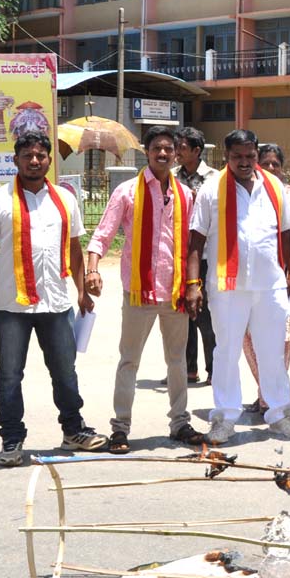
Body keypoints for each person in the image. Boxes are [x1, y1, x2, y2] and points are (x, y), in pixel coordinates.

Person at [0, 131, 105, 466]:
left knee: (65, 371)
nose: (35, 161)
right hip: (11, 306)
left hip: (55, 304)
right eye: (27, 155)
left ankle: (73, 429)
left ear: (49, 160)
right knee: (10, 374)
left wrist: (82, 291)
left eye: (41, 155)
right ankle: (12, 438)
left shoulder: (65, 200)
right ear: (16, 160)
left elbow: (73, 248)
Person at [187, 129, 290, 444]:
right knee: (226, 352)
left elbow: (286, 233)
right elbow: (196, 241)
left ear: (256, 154)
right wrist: (192, 284)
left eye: (250, 156)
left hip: (269, 285)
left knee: (272, 352)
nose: (244, 162)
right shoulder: (212, 190)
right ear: (226, 157)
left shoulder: (274, 187)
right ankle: (225, 419)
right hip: (227, 287)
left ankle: (280, 414)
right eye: (237, 157)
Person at [86, 126, 196, 450]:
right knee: (129, 361)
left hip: (174, 291)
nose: (162, 154)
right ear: (147, 152)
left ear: (176, 153)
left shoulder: (185, 194)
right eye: (156, 148)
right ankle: (120, 428)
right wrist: (92, 268)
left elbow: (191, 244)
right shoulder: (127, 192)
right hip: (139, 291)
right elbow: (103, 234)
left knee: (178, 362)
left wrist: (193, 286)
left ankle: (180, 423)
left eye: (168, 149)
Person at [242, 143, 290, 414]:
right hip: (249, 281)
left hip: (285, 278)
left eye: (275, 164)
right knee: (249, 338)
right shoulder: (247, 193)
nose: (270, 168)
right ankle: (266, 392)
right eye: (264, 163)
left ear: (282, 168)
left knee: (282, 339)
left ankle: (272, 398)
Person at [172, 126, 218, 385]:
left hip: (204, 255)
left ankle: (214, 368)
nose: (176, 152)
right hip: (177, 254)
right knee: (181, 314)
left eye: (181, 147)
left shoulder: (215, 178)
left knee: (206, 315)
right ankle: (189, 368)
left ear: (197, 151)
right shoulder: (170, 176)